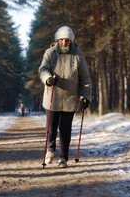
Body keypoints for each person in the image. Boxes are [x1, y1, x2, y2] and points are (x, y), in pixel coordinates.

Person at [39, 26, 92, 168]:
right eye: (61, 40)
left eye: (67, 40)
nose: (64, 43)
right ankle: (50, 150)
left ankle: (63, 158)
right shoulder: (50, 53)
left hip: (70, 99)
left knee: (65, 129)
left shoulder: (78, 55)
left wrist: (86, 95)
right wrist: (48, 79)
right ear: (57, 39)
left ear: (71, 40)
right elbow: (43, 69)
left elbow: (84, 78)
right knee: (51, 127)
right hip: (52, 98)